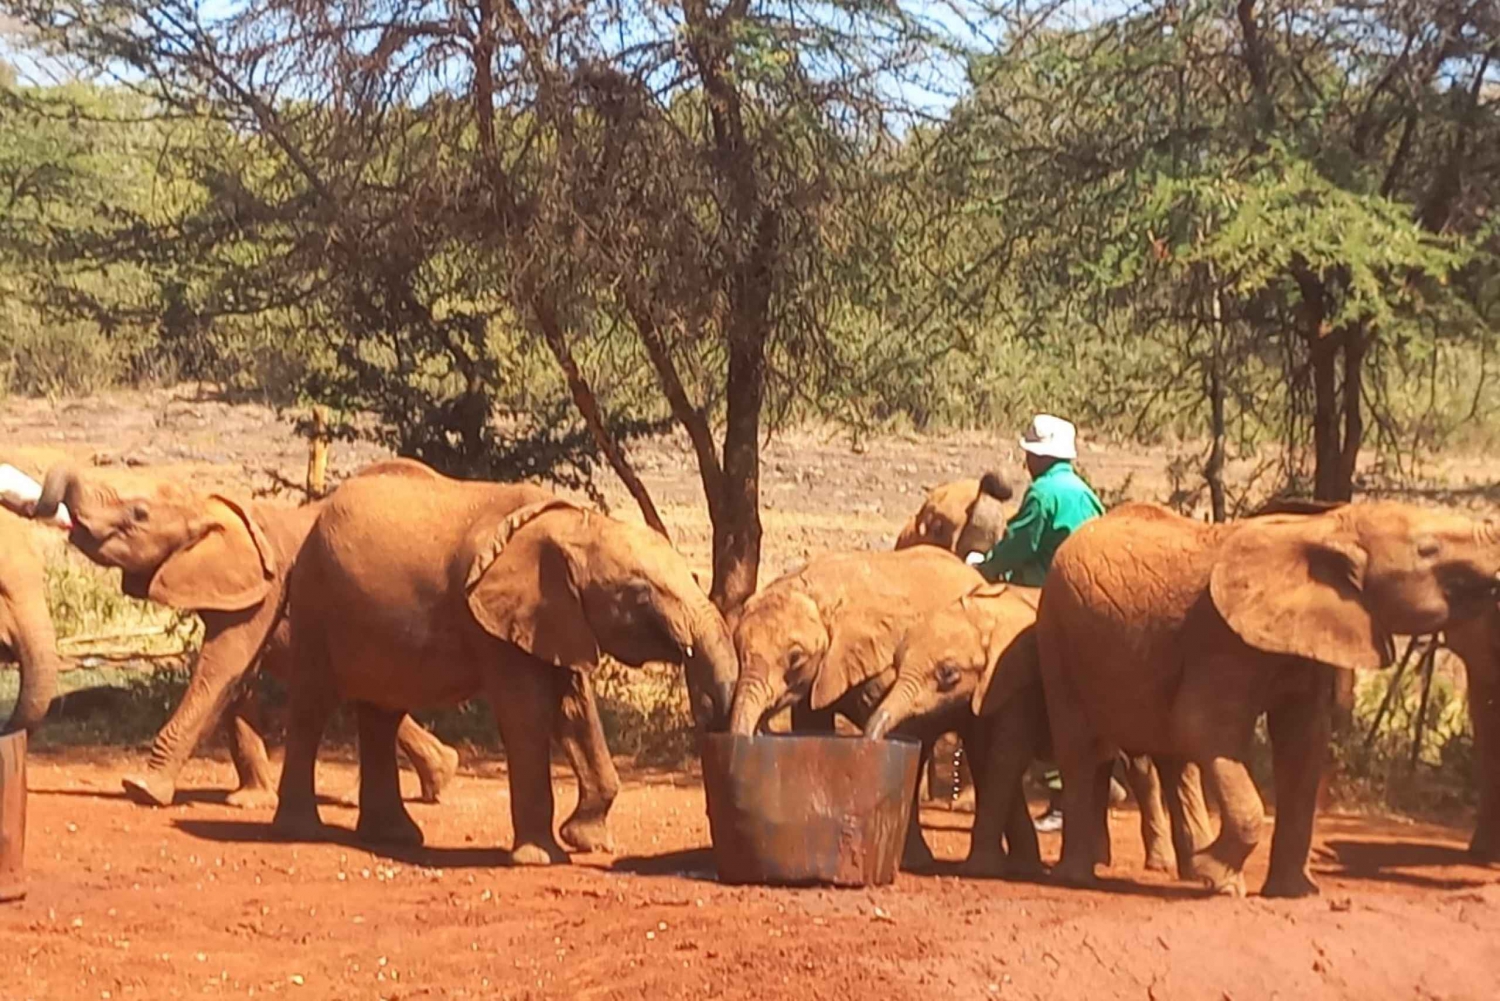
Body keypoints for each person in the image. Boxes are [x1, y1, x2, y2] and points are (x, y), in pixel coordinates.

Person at [973, 414, 1104, 833]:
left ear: (1037, 456)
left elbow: (1019, 547)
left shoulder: (1043, 495)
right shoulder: (1085, 493)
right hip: (1090, 610)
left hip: (1042, 605)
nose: (1026, 460)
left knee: (1029, 698)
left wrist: (984, 567)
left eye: (1029, 453)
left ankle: (1057, 794)